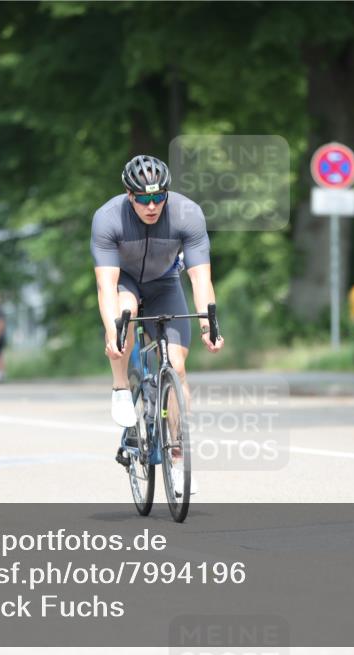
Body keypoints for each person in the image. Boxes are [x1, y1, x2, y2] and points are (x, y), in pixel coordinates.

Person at [91, 154, 224, 495]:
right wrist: (112, 332)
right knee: (125, 312)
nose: (152, 206)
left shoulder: (187, 214)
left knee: (177, 368)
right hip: (126, 284)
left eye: (158, 197)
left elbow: (200, 279)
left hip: (165, 284)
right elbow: (106, 286)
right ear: (129, 194)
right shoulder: (108, 218)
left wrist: (210, 324)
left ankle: (177, 459)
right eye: (144, 198)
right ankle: (121, 386)